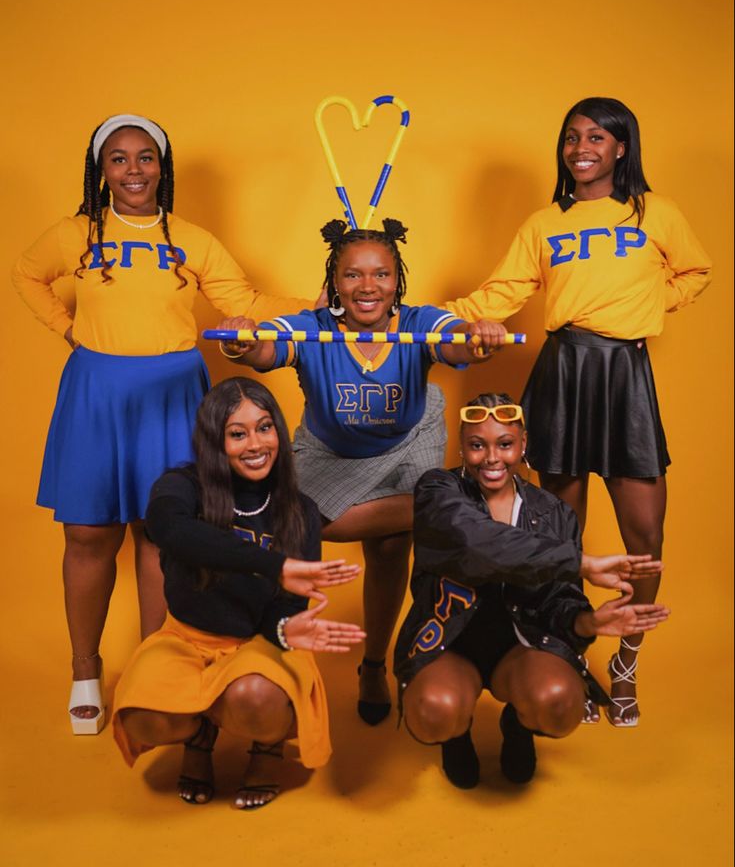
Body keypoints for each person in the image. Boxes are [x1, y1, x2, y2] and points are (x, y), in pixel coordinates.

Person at [11, 114, 312, 735]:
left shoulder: (192, 240)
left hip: (174, 391)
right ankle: (85, 671)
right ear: (101, 170)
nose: (133, 170)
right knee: (89, 535)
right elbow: (26, 274)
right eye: (118, 159)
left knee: (163, 532)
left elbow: (245, 305)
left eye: (145, 157)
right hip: (97, 392)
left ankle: (156, 667)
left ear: (162, 167)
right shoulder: (76, 234)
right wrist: (67, 329)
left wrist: (319, 307)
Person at [448, 97, 710, 726]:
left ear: (622, 146)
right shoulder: (545, 224)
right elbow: (503, 291)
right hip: (563, 372)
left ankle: (626, 662)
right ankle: (564, 652)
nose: (581, 147)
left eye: (597, 136)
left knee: (645, 533)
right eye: (571, 137)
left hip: (624, 375)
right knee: (557, 532)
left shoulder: (656, 212)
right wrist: (445, 316)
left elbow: (695, 271)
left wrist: (647, 306)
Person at [219, 218, 507, 725]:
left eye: (382, 274)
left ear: (399, 281)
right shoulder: (313, 328)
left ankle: (373, 665)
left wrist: (478, 337)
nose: (368, 287)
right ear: (333, 285)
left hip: (409, 442)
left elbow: (456, 341)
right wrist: (242, 341)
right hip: (327, 451)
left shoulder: (418, 323)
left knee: (392, 545)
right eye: (353, 276)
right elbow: (265, 351)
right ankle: (456, 502)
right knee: (304, 521)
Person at [394, 394, 670, 789]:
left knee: (559, 703)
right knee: (433, 712)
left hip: (521, 648)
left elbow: (562, 604)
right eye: (477, 445)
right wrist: (582, 563)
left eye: (505, 444)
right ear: (461, 448)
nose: (492, 457)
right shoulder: (438, 491)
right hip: (449, 646)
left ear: (523, 447)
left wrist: (592, 621)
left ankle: (517, 725)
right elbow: (476, 543)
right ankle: (457, 734)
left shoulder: (554, 513)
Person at [113, 377, 363, 809]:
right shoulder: (181, 487)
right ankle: (200, 734)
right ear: (215, 440)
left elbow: (284, 609)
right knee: (140, 717)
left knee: (253, 698)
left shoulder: (297, 509)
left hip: (258, 644)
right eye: (237, 433)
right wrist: (273, 564)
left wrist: (288, 631)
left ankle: (264, 748)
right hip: (187, 639)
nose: (255, 444)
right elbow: (170, 531)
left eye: (265, 427)